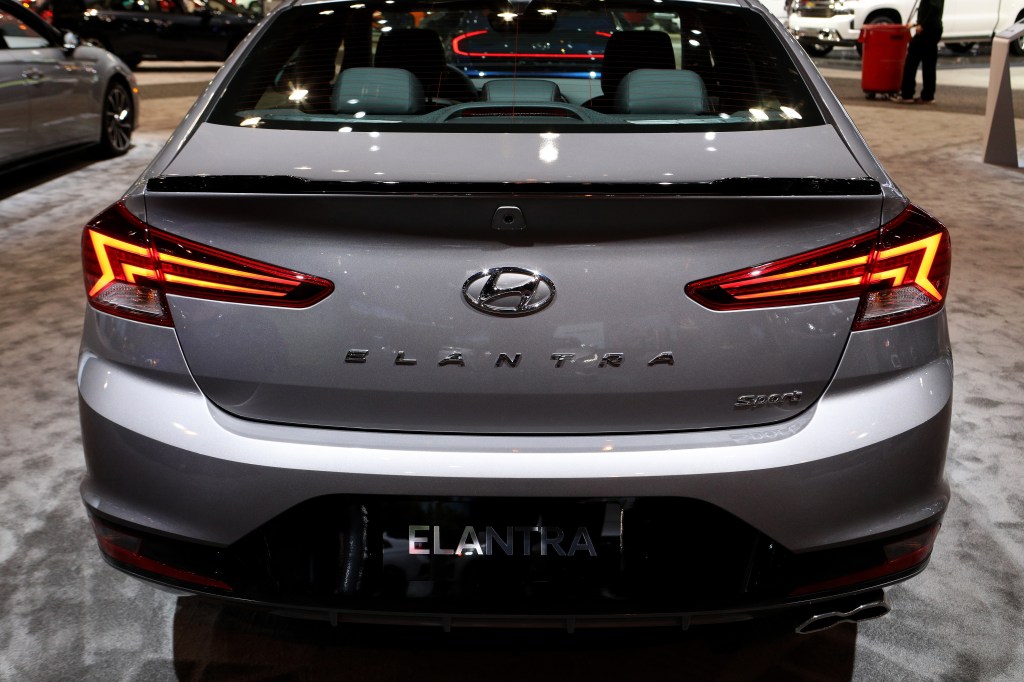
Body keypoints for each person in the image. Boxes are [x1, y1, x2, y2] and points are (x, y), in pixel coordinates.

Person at [894, 0, 944, 103]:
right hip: (934, 28)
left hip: (927, 29)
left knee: (912, 60)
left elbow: (934, 7)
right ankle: (928, 95)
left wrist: (923, 25)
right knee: (929, 62)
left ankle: (907, 94)